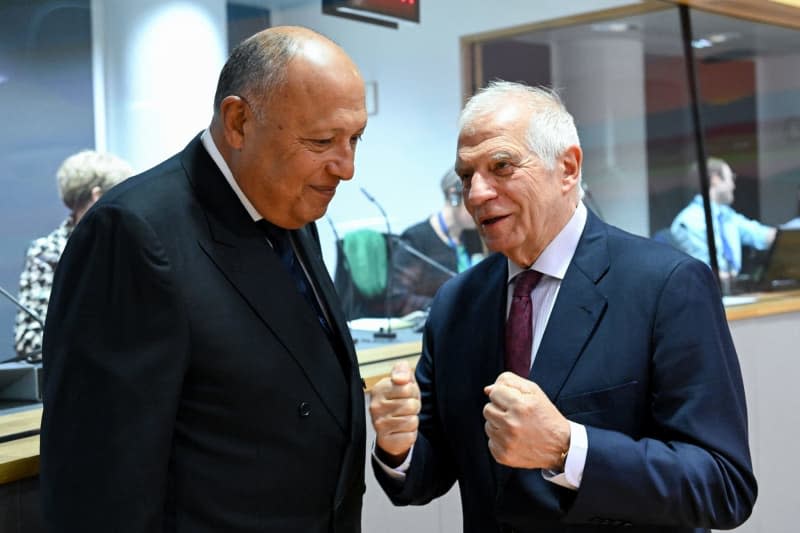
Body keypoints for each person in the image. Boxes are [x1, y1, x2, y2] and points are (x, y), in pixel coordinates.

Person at [369, 82, 756, 532]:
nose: (476, 194)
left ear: (568, 168)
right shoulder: (457, 303)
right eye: (466, 177)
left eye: (500, 166)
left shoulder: (667, 285)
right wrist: (399, 447)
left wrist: (567, 448)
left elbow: (722, 485)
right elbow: (428, 473)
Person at [41, 26, 368, 532]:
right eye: (322, 140)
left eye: (354, 140)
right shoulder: (133, 233)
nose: (346, 167)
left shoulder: (293, 214)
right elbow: (99, 482)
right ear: (238, 122)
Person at [13, 150, 133, 360]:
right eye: (123, 195)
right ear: (98, 197)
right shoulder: (48, 252)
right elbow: (29, 341)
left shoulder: (133, 246)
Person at [390, 169, 483, 316]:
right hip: (437, 325)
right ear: (454, 196)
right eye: (475, 201)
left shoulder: (474, 235)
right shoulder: (416, 239)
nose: (482, 209)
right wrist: (447, 306)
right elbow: (397, 298)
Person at [671, 157, 776, 277]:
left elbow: (761, 234)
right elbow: (703, 273)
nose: (733, 186)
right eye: (731, 178)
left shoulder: (726, 216)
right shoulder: (689, 221)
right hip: (708, 291)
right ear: (715, 179)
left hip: (731, 289)